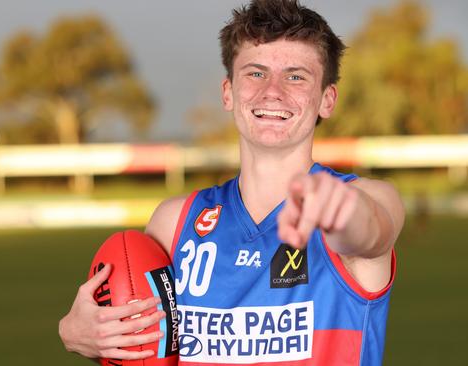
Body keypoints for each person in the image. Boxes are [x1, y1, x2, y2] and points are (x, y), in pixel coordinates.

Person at [59, 0, 405, 364]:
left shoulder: (367, 198)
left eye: (296, 76)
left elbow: (371, 232)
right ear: (228, 92)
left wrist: (340, 211)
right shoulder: (174, 223)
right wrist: (83, 333)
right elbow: (145, 348)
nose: (273, 91)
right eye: (255, 73)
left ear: (327, 100)